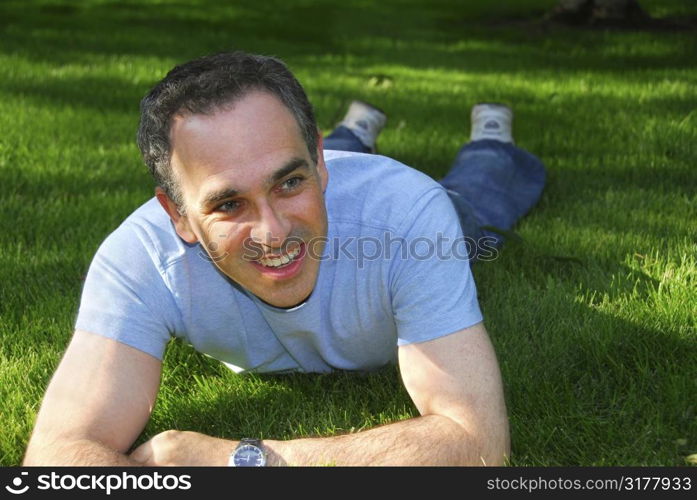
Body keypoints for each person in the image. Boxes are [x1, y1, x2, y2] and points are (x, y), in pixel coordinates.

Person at [23, 51, 545, 466]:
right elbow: (59, 455)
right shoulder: (140, 257)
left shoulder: (408, 216)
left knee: (474, 205)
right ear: (177, 214)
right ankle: (352, 134)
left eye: (290, 181)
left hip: (416, 206)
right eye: (229, 204)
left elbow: (478, 443)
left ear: (319, 165)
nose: (272, 234)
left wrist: (243, 461)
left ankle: (490, 142)